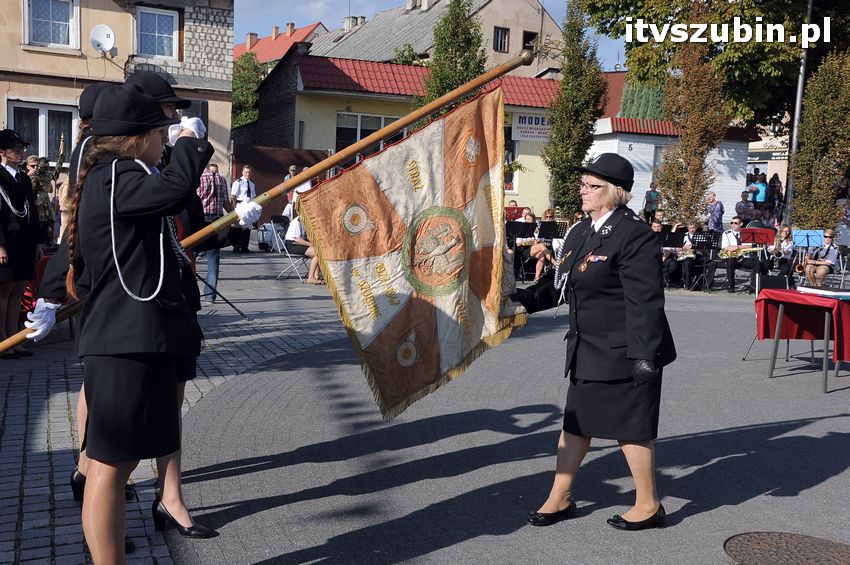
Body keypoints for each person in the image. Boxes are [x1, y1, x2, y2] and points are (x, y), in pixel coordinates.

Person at [60, 84, 212, 562]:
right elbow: (173, 188)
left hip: (126, 335)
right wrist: (191, 141)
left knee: (116, 466)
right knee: (110, 466)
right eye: (161, 132)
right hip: (124, 339)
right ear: (138, 137)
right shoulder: (118, 176)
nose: (165, 141)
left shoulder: (110, 176)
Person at [512, 153, 676, 531]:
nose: (583, 191)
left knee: (630, 429)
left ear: (616, 192)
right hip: (588, 348)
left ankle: (649, 504)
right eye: (583, 184)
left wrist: (645, 355)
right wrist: (522, 300)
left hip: (627, 351)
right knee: (576, 424)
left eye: (592, 186)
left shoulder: (633, 234)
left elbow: (646, 301)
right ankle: (560, 497)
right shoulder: (583, 230)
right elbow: (562, 285)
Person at [0, 130, 43, 359]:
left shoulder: (23, 178)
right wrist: (0, 245)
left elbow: (32, 212)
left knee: (18, 289)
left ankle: (14, 339)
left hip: (24, 240)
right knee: (4, 290)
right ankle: (3, 340)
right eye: (15, 148)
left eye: (21, 148)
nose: (20, 152)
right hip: (7, 240)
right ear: (2, 152)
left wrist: (37, 242)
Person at [196, 162, 233, 303]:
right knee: (213, 262)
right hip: (217, 221)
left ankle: (188, 294)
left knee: (189, 258)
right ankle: (210, 296)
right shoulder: (221, 179)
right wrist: (235, 217)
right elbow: (226, 203)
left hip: (200, 220)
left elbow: (194, 201)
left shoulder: (198, 178)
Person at [721, 215, 763, 292]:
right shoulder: (726, 233)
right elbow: (725, 247)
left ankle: (753, 286)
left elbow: (749, 246)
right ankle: (731, 285)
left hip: (744, 257)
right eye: (732, 223)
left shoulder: (747, 233)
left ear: (741, 224)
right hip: (733, 257)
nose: (733, 225)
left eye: (735, 223)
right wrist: (740, 247)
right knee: (730, 262)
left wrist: (735, 247)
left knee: (757, 263)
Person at [284, 209, 322, 284]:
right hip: (292, 245)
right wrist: (312, 245)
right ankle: (310, 277)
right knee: (316, 253)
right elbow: (297, 239)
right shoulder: (297, 222)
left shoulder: (304, 222)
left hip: (297, 244)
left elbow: (307, 237)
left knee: (319, 251)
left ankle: (316, 276)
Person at [27, 155, 56, 245]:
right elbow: (31, 190)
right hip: (38, 203)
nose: (35, 168)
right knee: (41, 223)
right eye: (33, 166)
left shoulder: (46, 175)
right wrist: (33, 179)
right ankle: (41, 242)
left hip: (46, 202)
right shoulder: (31, 176)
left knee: (50, 221)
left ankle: (50, 240)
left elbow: (55, 174)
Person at [230, 164, 256, 252]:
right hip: (240, 204)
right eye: (246, 172)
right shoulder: (238, 182)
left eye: (249, 172)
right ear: (242, 172)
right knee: (237, 225)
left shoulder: (252, 184)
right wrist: (235, 207)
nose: (248, 174)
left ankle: (244, 246)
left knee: (246, 226)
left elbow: (253, 197)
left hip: (248, 205)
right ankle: (236, 245)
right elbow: (233, 196)